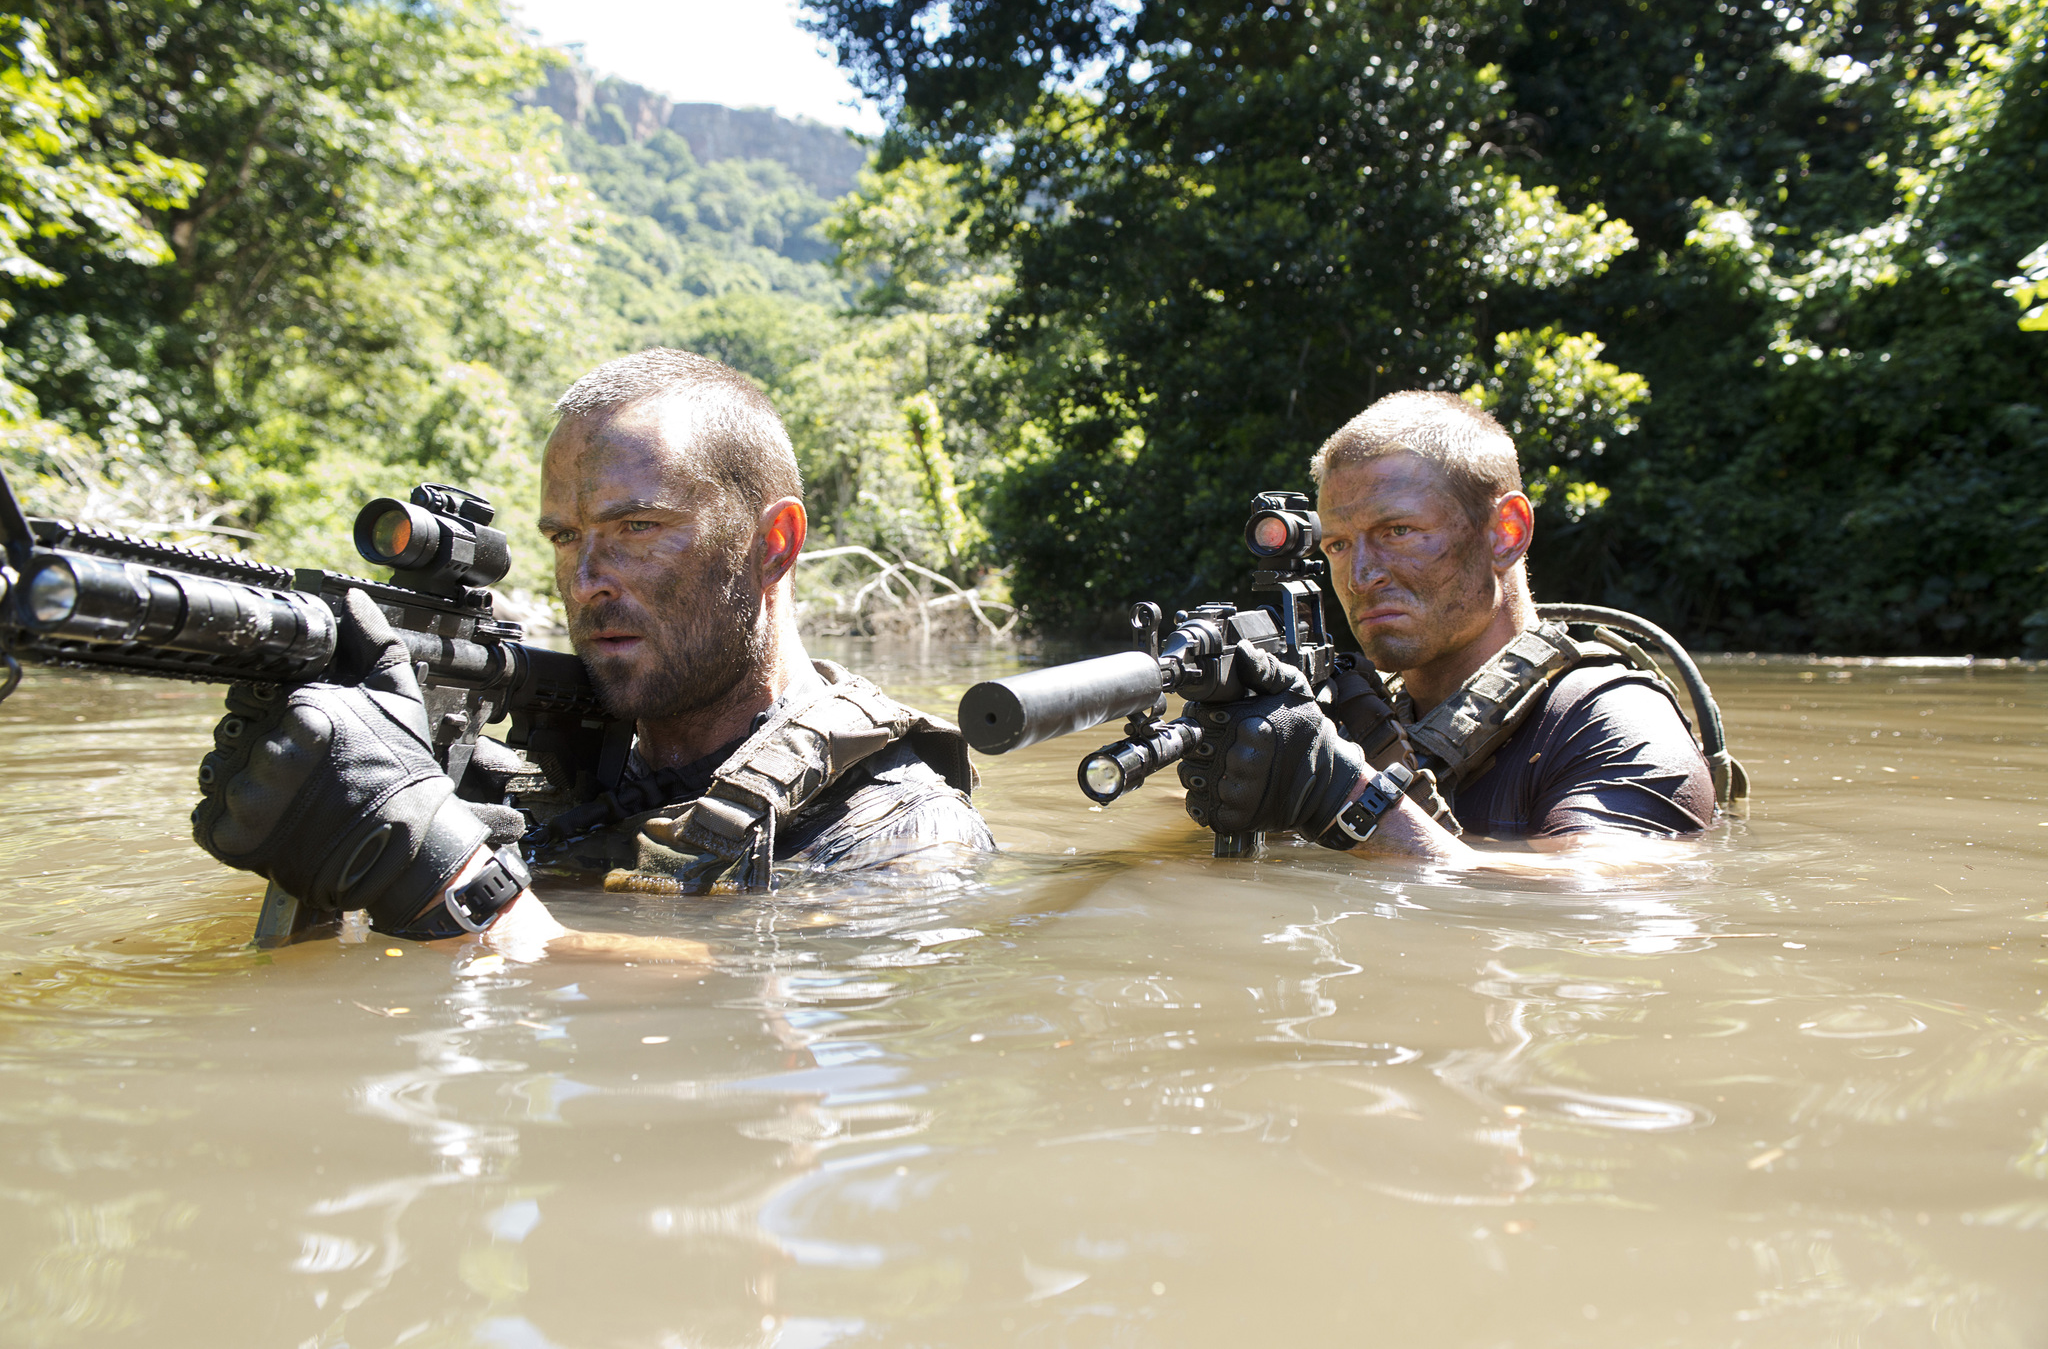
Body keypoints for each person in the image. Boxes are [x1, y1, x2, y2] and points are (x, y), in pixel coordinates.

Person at [190, 349, 995, 949]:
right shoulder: (558, 784)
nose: (586, 580)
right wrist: (334, 843)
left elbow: (771, 994)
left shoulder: (902, 828)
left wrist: (451, 878)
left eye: (636, 529)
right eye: (565, 537)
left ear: (774, 544)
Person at [1176, 391, 1718, 873]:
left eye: (1399, 530)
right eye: (1338, 545)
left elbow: (1587, 910)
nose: (1361, 576)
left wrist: (1344, 800)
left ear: (1506, 532)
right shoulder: (1358, 715)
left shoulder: (1612, 724)